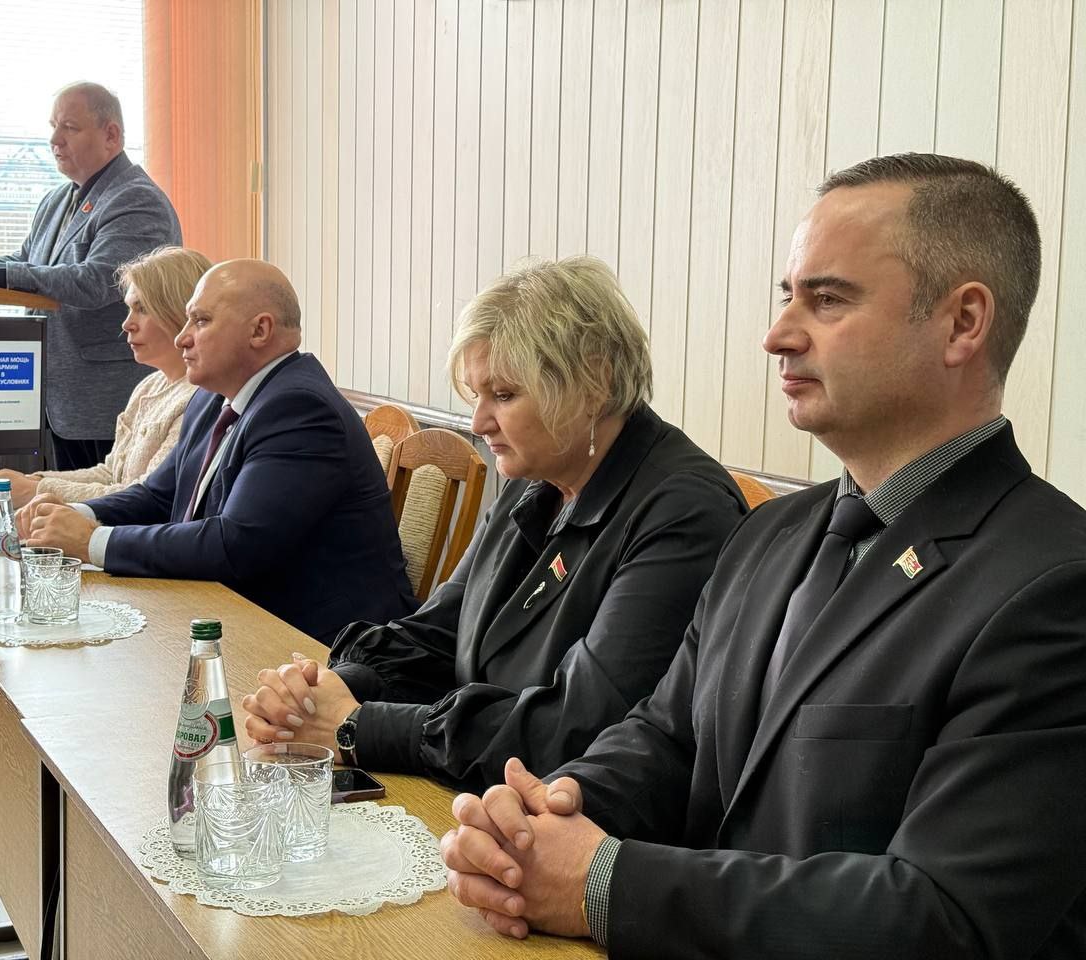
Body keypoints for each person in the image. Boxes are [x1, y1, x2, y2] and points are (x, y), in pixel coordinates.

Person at [440, 153, 1086, 958]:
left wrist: (604, 882)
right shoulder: (771, 533)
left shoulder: (1054, 587)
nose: (778, 335)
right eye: (789, 297)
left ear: (963, 323)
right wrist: (543, 819)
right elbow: (668, 739)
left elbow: (942, 916)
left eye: (828, 300)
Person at [242, 256, 746, 792]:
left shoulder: (685, 512)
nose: (479, 422)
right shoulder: (538, 479)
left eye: (503, 395)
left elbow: (580, 724)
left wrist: (357, 727)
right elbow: (441, 634)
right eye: (477, 395)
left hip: (572, 820)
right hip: (479, 790)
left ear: (594, 383)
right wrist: (327, 694)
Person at [16, 259, 416, 645]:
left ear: (260, 330)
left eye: (201, 321)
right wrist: (75, 515)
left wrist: (92, 540)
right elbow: (159, 495)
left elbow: (235, 545)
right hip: (230, 614)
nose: (182, 337)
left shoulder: (300, 409)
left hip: (318, 643)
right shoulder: (214, 396)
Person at [0, 81, 182, 470]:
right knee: (68, 501)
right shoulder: (57, 199)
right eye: (53, 126)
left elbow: (97, 281)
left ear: (111, 134)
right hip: (61, 400)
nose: (54, 140)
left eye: (69, 127)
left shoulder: (136, 199)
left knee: (107, 502)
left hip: (108, 400)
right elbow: (27, 260)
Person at [0, 246, 208, 508]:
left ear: (180, 311)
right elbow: (109, 474)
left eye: (142, 309)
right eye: (129, 309)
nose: (126, 324)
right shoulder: (148, 386)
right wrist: (29, 480)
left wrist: (36, 490)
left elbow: (143, 498)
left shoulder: (199, 400)